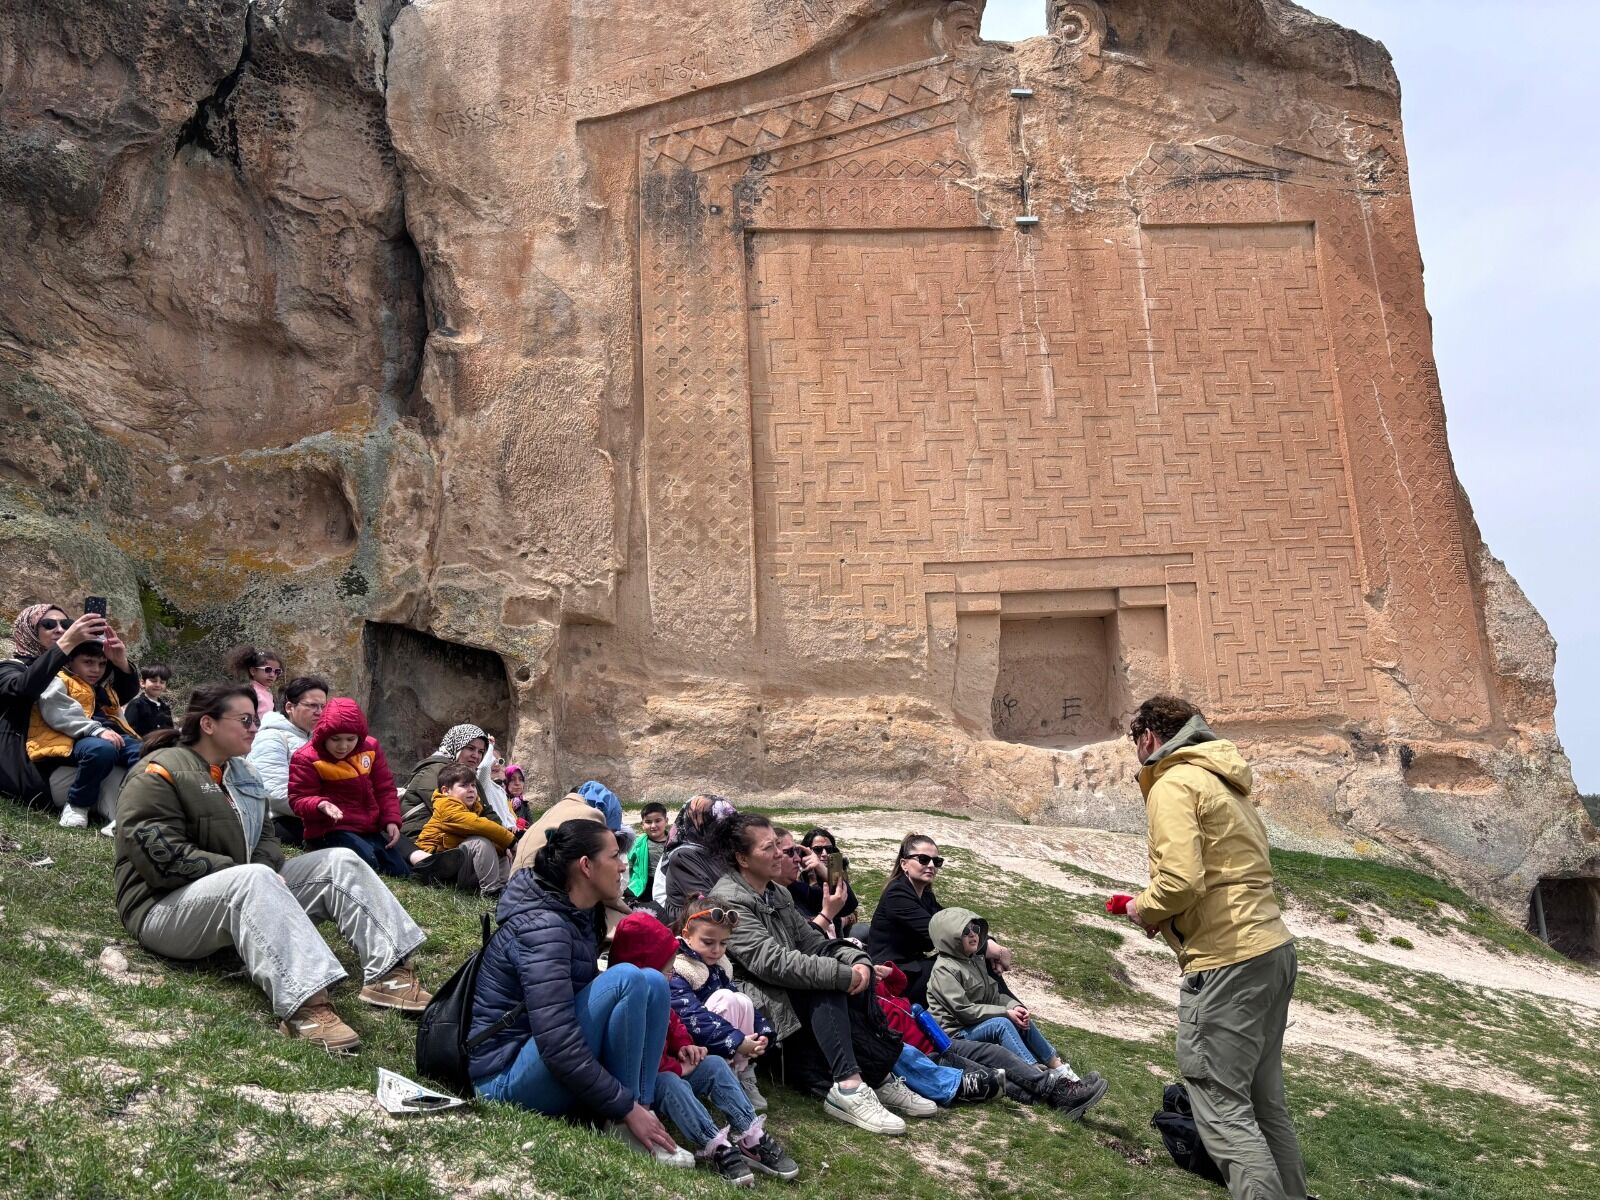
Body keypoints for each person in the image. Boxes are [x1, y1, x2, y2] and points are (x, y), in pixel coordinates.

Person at [115, 684, 431, 1052]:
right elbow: (160, 857)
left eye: (256, 719)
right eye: (245, 720)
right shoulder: (159, 772)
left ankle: (389, 975)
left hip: (246, 892)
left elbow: (266, 842)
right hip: (162, 910)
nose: (255, 727)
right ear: (208, 724)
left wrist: (265, 871)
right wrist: (247, 872)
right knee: (254, 877)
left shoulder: (244, 775)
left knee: (340, 861)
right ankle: (306, 1007)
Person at [1126, 695, 1305, 1200]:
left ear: (1148, 737)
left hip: (1227, 960)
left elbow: (1181, 882)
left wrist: (1144, 909)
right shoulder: (1225, 782)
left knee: (1223, 1109)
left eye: (1133, 741)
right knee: (1265, 1105)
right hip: (1271, 947)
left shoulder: (1174, 782)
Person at [468, 819, 690, 1167]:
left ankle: (642, 1116)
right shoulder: (545, 929)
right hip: (504, 1081)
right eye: (615, 856)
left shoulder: (577, 916)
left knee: (653, 981)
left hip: (537, 1064)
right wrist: (622, 1104)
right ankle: (624, 1119)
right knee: (628, 978)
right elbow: (557, 1044)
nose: (623, 865)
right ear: (586, 866)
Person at [771, 826, 1001, 1113]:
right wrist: (827, 911)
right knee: (939, 975)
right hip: (861, 967)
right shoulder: (793, 892)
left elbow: (848, 902)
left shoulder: (813, 888)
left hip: (855, 961)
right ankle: (942, 1069)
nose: (823, 855)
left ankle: (997, 1021)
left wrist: (829, 866)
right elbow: (800, 945)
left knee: (961, 968)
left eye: (830, 850)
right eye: (813, 850)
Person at [707, 814, 908, 1135]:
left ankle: (876, 1076)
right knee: (826, 982)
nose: (780, 854)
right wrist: (842, 973)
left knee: (854, 970)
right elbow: (769, 962)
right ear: (742, 858)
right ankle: (849, 1086)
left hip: (784, 992)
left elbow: (812, 942)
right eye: (769, 847)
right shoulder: (728, 900)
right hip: (758, 1005)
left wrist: (856, 960)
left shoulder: (777, 893)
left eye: (779, 845)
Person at [610, 912, 798, 1186]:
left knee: (715, 1065)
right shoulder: (629, 1001)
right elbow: (636, 1058)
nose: (671, 973)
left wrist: (686, 1046)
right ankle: (715, 1144)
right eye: (666, 969)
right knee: (673, 1083)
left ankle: (749, 1134)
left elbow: (673, 1023)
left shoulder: (660, 989)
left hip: (673, 1066)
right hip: (650, 1083)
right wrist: (677, 1066)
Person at [926, 907, 1107, 1119]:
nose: (973, 934)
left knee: (1020, 1018)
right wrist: (1004, 1013)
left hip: (974, 1025)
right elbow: (963, 1010)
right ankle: (1045, 1081)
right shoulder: (944, 969)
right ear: (950, 938)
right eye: (965, 931)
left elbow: (992, 996)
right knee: (1002, 1023)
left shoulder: (973, 960)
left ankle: (1062, 1073)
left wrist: (1013, 1006)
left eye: (975, 928)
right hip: (956, 1033)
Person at [1, 603, 128, 810]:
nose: (59, 630)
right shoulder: (10, 667)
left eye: (66, 624)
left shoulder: (70, 672)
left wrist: (120, 662)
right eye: (49, 624)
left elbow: (117, 697)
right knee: (118, 778)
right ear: (29, 630)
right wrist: (67, 644)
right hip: (33, 771)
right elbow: (22, 689)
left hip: (76, 757)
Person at [867, 833, 1014, 1008]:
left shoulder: (925, 894)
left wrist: (989, 942)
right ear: (904, 864)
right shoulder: (897, 894)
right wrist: (996, 952)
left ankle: (1009, 1009)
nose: (930, 865)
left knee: (974, 959)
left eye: (936, 862)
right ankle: (1010, 1009)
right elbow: (940, 933)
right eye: (923, 859)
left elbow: (955, 922)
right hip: (896, 976)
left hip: (915, 969)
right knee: (968, 961)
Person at [670, 896, 777, 1112]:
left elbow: (741, 1003)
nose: (717, 950)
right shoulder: (678, 968)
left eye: (723, 943)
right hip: (692, 1046)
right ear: (687, 936)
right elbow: (691, 1016)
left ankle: (742, 1072)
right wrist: (736, 1040)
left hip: (722, 1038)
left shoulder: (718, 966)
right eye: (708, 942)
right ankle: (724, 1078)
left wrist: (761, 1031)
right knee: (726, 998)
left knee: (741, 998)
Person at [27, 641, 143, 828]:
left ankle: (132, 808)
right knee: (102, 750)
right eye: (88, 662)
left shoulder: (103, 688)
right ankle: (77, 804)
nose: (96, 669)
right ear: (70, 661)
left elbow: (124, 699)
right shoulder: (58, 679)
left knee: (145, 754)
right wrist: (97, 730)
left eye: (102, 664)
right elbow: (59, 712)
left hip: (105, 735)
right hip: (69, 739)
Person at [287, 698, 406, 878]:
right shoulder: (306, 757)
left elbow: (385, 788)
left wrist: (391, 819)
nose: (343, 746)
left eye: (350, 739)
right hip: (331, 829)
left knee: (400, 872)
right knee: (367, 865)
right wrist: (320, 804)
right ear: (323, 735)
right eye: (335, 739)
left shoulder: (371, 748)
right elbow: (298, 798)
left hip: (368, 828)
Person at [247, 676, 329, 846]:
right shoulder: (271, 737)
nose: (319, 712)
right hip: (281, 819)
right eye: (312, 705)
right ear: (290, 707)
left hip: (313, 811)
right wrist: (322, 806)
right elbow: (274, 792)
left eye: (323, 706)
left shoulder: (317, 738)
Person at [412, 764, 515, 897]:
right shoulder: (446, 806)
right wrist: (510, 841)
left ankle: (504, 888)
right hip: (436, 868)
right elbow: (478, 824)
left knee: (499, 845)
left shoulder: (473, 807)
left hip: (457, 867)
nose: (471, 790)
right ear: (446, 790)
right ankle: (491, 891)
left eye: (473, 785)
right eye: (464, 786)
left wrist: (503, 846)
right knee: (480, 842)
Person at [399, 724, 489, 839]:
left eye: (481, 752)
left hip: (453, 840)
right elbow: (454, 816)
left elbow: (486, 810)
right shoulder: (434, 770)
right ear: (456, 745)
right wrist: (501, 837)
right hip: (420, 840)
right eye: (470, 748)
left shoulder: (471, 778)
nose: (476, 755)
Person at [656, 797, 737, 923]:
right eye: (718, 824)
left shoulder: (718, 849)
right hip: (693, 927)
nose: (729, 830)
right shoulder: (683, 856)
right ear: (698, 823)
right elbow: (711, 902)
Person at [788, 827, 859, 936]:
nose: (824, 854)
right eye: (818, 849)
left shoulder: (837, 870)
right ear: (807, 851)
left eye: (829, 849)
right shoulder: (799, 877)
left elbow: (850, 906)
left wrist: (826, 872)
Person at [626, 801, 670, 904]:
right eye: (648, 822)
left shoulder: (674, 843)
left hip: (665, 885)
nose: (653, 825)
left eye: (658, 821)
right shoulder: (637, 844)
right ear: (642, 824)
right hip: (642, 886)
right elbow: (628, 865)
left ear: (666, 821)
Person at [225, 644, 284, 716]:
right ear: (253, 671)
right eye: (268, 670)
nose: (272, 675)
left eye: (277, 671)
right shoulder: (249, 693)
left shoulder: (267, 692)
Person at [123, 665, 175, 737]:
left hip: (165, 745)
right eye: (153, 681)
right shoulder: (136, 704)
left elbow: (170, 730)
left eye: (162, 682)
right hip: (142, 745)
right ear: (142, 683)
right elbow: (129, 731)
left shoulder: (165, 708)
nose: (158, 685)